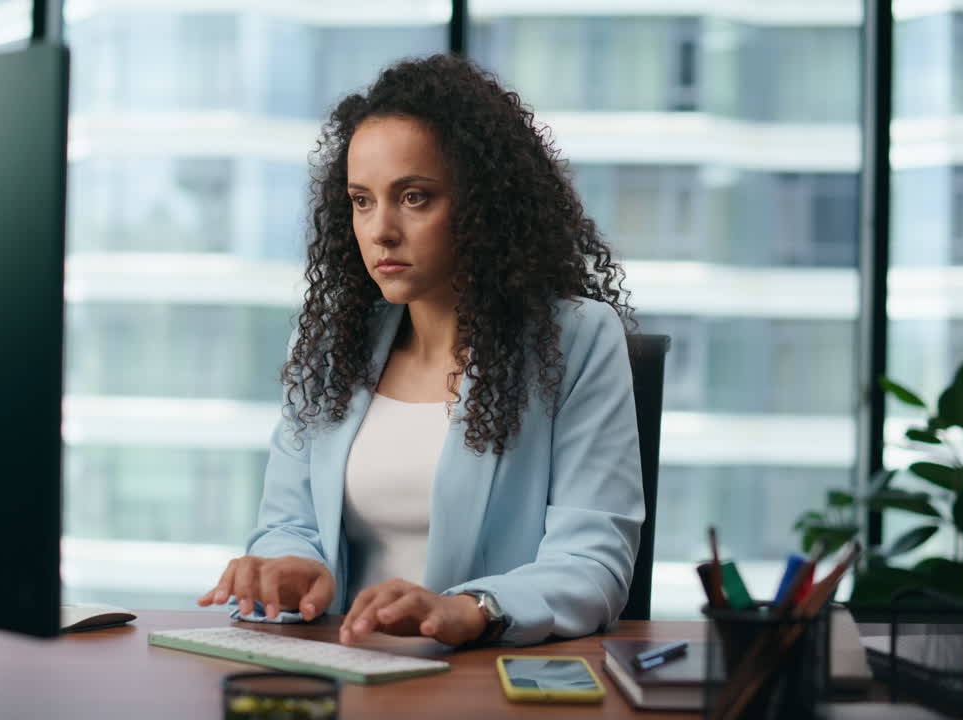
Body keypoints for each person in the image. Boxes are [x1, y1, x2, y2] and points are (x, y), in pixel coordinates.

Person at [198, 53, 644, 648]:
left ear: (483, 205)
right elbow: (287, 524)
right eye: (362, 200)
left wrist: (471, 607)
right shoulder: (335, 345)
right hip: (343, 672)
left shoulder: (575, 339)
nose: (381, 228)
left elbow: (594, 563)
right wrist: (289, 568)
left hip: (477, 682)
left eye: (413, 197)